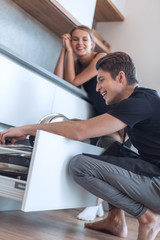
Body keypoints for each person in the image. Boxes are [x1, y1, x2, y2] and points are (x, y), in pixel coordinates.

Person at [1, 52, 160, 240]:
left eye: (101, 80)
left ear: (120, 77)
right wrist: (61, 126)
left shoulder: (139, 103)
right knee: (109, 143)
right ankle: (115, 220)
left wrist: (26, 129)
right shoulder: (143, 99)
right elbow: (86, 127)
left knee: (80, 166)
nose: (98, 87)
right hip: (153, 172)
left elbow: (79, 131)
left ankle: (146, 216)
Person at [54, 25, 123, 220]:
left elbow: (74, 81)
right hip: (103, 119)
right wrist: (63, 50)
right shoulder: (77, 65)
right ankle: (101, 208)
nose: (79, 43)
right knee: (106, 156)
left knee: (112, 158)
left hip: (118, 116)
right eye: (74, 39)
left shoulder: (100, 58)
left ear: (92, 43)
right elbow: (61, 80)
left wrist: (68, 51)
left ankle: (95, 204)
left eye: (85, 39)